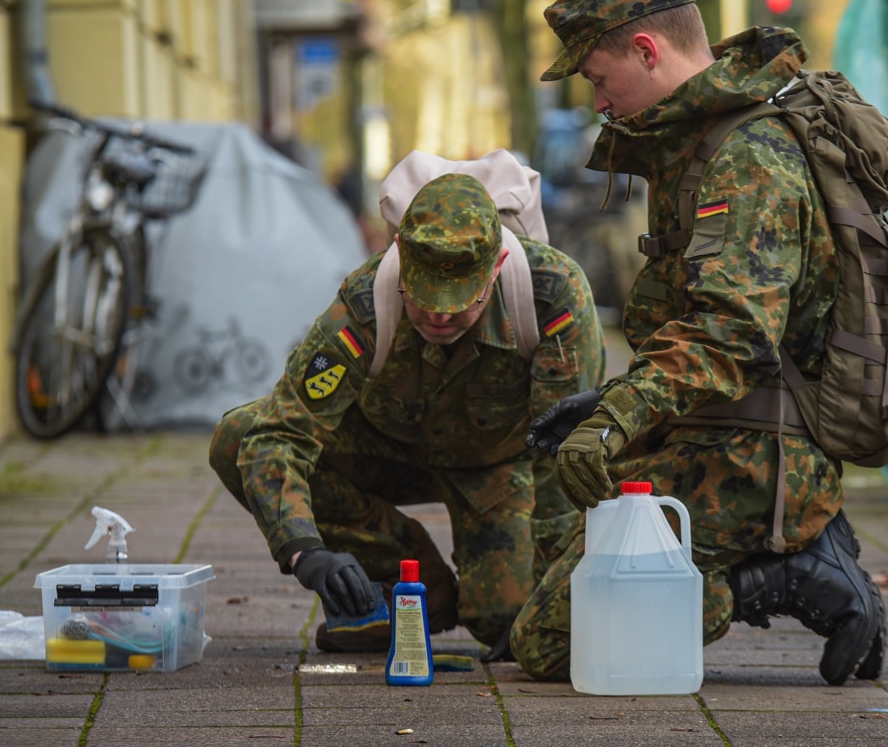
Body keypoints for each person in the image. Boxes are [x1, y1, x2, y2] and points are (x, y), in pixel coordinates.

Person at [513, 0, 886, 685]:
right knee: (549, 578)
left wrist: (619, 415)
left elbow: (733, 334)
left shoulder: (746, 157)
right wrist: (612, 405)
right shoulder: (697, 142)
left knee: (555, 646)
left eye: (597, 76)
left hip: (755, 452)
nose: (597, 101)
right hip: (712, 428)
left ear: (648, 51)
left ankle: (798, 573)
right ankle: (789, 552)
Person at [210, 163, 605, 657]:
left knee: (510, 620)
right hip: (384, 450)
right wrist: (304, 551)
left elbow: (561, 459)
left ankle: (492, 604)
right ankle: (415, 584)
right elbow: (280, 435)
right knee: (238, 437)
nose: (439, 315)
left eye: (461, 298)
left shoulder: (552, 297)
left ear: (498, 265)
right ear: (399, 257)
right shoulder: (365, 301)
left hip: (496, 469)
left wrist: (555, 598)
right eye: (423, 296)